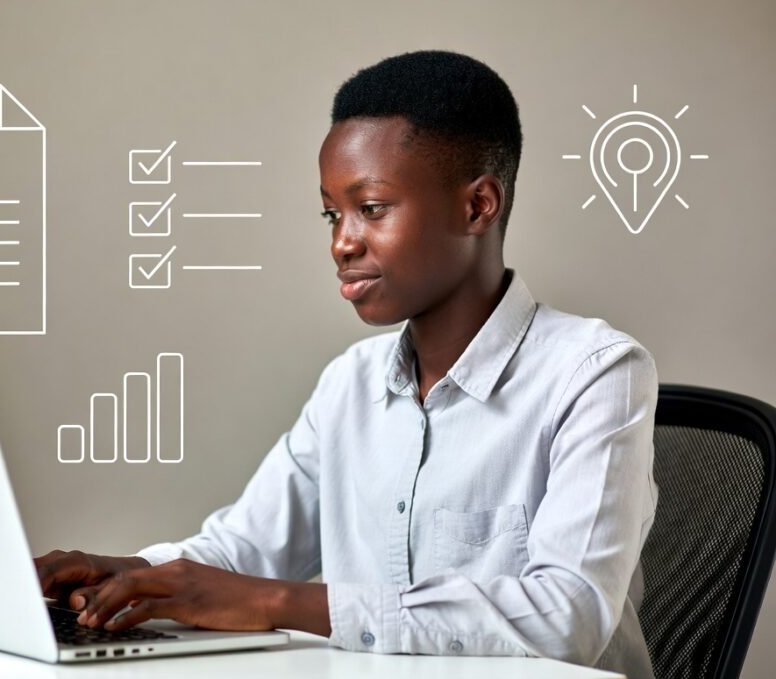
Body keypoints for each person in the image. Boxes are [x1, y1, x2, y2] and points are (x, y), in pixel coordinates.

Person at [35, 50, 659, 678]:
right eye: (333, 213)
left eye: (373, 208)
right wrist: (133, 575)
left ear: (477, 207)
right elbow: (243, 550)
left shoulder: (596, 373)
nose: (342, 241)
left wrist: (281, 602)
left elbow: (568, 615)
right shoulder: (350, 384)